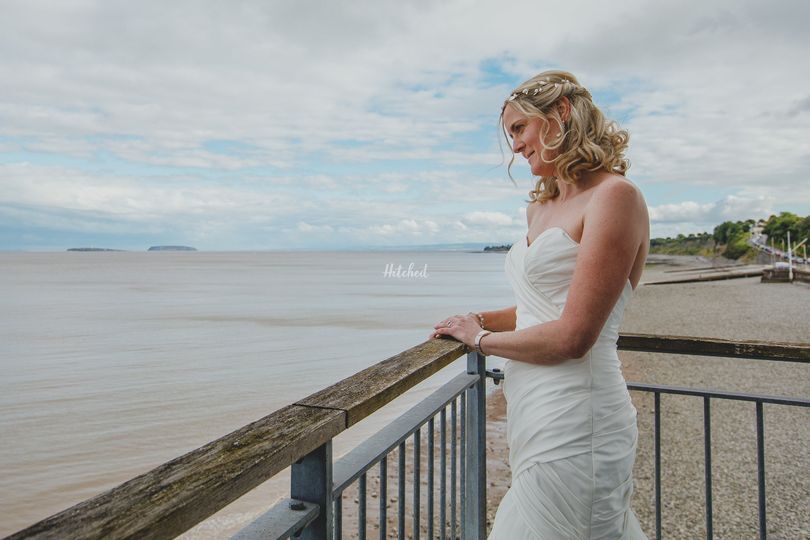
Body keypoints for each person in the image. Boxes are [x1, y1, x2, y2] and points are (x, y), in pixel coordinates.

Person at [431, 70, 649, 539]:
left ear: (560, 115)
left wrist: (481, 340)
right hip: (530, 410)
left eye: (518, 129)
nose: (514, 146)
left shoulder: (616, 197)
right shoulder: (540, 208)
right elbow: (537, 312)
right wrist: (476, 319)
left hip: (580, 417)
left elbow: (573, 336)